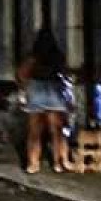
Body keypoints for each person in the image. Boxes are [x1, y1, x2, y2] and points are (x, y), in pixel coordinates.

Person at [17, 29, 71, 175]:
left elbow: (22, 73)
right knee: (57, 131)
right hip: (54, 89)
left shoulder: (33, 57)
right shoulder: (58, 57)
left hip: (36, 90)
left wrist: (24, 89)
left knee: (35, 131)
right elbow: (65, 73)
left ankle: (33, 164)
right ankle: (58, 162)